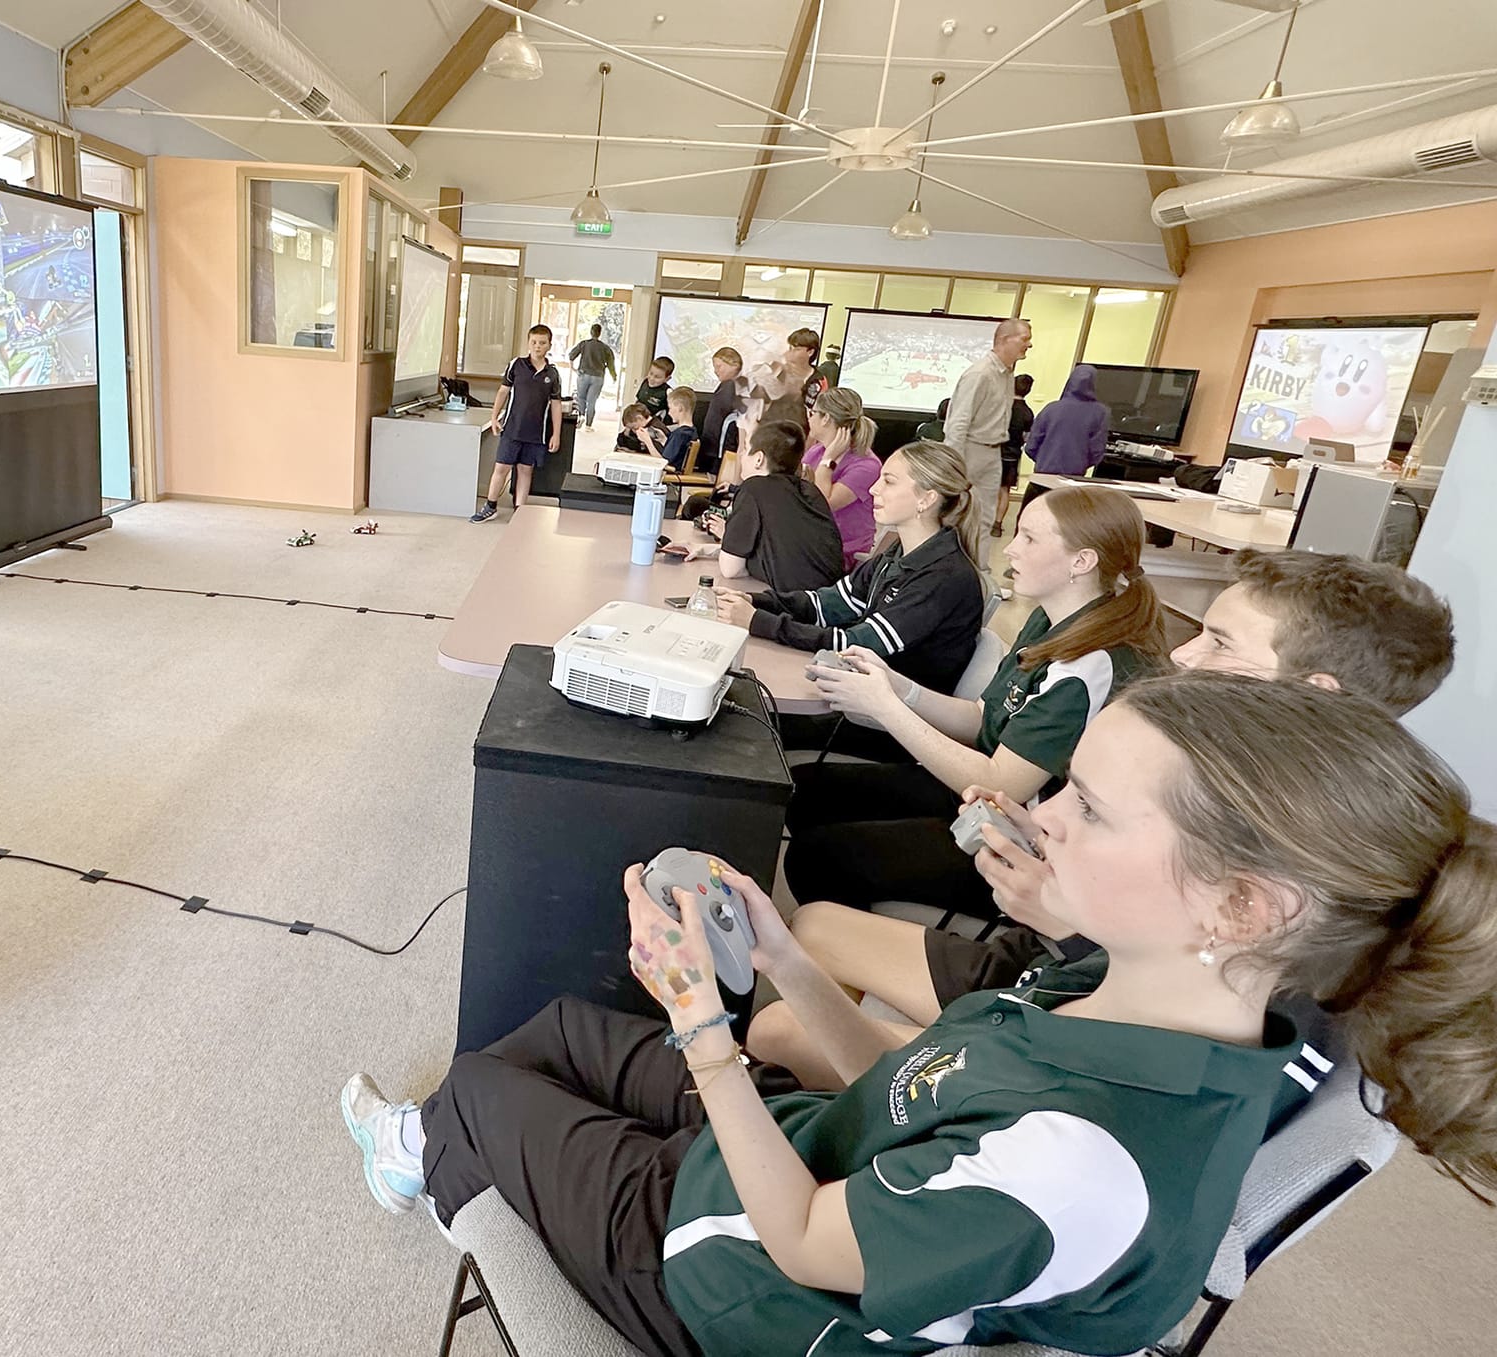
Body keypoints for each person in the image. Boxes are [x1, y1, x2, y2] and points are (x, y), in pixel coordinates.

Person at [342, 673, 1497, 1357]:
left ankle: (427, 1156)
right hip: (829, 1160)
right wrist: (786, 959)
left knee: (479, 1090)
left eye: (1090, 810)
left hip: (741, 1279)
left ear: (1241, 904)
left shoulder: (1085, 1161)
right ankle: (432, 1145)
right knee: (554, 1028)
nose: (1044, 816)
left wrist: (700, 1025)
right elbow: (912, 1085)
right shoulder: (1119, 988)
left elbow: (802, 1240)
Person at [752, 550, 1460, 1057]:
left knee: (778, 1026)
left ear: (1314, 692)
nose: (1183, 656)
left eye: (1219, 642)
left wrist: (1059, 916)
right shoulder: (1248, 791)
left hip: (1059, 1007)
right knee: (808, 928)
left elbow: (1161, 1011)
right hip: (1054, 966)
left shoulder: (1290, 860)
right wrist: (1050, 851)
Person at [780, 485, 1167, 918]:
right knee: (804, 794)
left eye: (1029, 538)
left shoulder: (1090, 662)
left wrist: (885, 707)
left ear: (1082, 561)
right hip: (981, 798)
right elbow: (983, 717)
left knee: (817, 858)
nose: (1011, 550)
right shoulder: (1050, 619)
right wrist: (898, 687)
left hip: (1025, 843)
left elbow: (1005, 784)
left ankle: (859, 943)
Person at [718, 440, 983, 697]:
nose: (874, 489)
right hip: (858, 691)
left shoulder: (943, 576)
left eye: (889, 481)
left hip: (883, 714)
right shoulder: (898, 554)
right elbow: (826, 605)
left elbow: (858, 644)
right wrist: (755, 601)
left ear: (927, 499)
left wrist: (759, 622)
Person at [661, 420, 842, 593]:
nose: (741, 455)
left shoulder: (753, 489)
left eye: (746, 449)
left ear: (759, 459)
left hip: (794, 603)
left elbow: (731, 569)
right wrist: (702, 548)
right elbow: (773, 556)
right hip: (825, 597)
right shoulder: (809, 490)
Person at [944, 319, 1032, 566]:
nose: (1029, 345)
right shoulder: (980, 374)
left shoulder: (1007, 374)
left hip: (993, 452)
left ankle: (979, 572)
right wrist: (954, 466)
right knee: (954, 515)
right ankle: (943, 571)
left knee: (984, 519)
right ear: (1004, 339)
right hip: (970, 451)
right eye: (1025, 338)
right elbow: (958, 423)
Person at [473, 323, 562, 523]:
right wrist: (494, 417)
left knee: (525, 470)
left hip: (536, 433)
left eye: (542, 343)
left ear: (549, 345)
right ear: (528, 343)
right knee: (501, 468)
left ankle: (520, 511)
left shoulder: (553, 374)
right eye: (534, 342)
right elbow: (503, 391)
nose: (537, 346)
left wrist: (556, 434)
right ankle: (490, 506)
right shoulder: (516, 365)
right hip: (512, 429)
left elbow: (556, 405)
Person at [801, 387, 882, 570]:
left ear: (826, 418)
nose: (809, 418)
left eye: (812, 413)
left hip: (843, 554)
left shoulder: (866, 465)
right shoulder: (816, 450)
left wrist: (827, 461)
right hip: (812, 542)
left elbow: (824, 503)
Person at [1021, 364, 1111, 507]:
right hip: (1073, 480)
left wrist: (1045, 461)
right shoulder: (1101, 413)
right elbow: (1097, 451)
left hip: (1042, 476)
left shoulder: (1051, 409)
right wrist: (1080, 463)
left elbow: (1031, 445)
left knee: (1031, 515)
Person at [756, 328, 829, 431]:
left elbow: (818, 413)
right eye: (790, 348)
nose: (790, 352)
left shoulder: (819, 380)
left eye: (796, 349)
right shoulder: (778, 370)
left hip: (799, 432)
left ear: (810, 352)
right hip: (769, 428)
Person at [994, 374, 1034, 537]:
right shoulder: (1028, 413)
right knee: (1005, 491)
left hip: (993, 453)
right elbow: (1026, 438)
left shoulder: (1000, 407)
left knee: (987, 489)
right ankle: (997, 524)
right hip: (1012, 456)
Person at [700, 347, 746, 468]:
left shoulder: (734, 386)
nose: (715, 371)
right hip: (713, 448)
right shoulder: (726, 385)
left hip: (720, 450)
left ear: (734, 365)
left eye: (719, 366)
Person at [569, 323, 618, 430]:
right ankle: (588, 425)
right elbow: (611, 363)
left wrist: (573, 368)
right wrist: (614, 376)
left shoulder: (584, 344)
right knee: (592, 401)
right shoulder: (605, 348)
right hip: (598, 377)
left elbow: (571, 355)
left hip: (583, 374)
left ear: (591, 332)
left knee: (581, 398)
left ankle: (581, 416)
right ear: (600, 333)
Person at [658, 387, 699, 472]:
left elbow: (663, 463)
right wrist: (664, 440)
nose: (669, 413)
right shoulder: (691, 431)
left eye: (670, 408)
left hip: (670, 476)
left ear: (680, 408)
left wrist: (647, 441)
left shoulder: (679, 434)